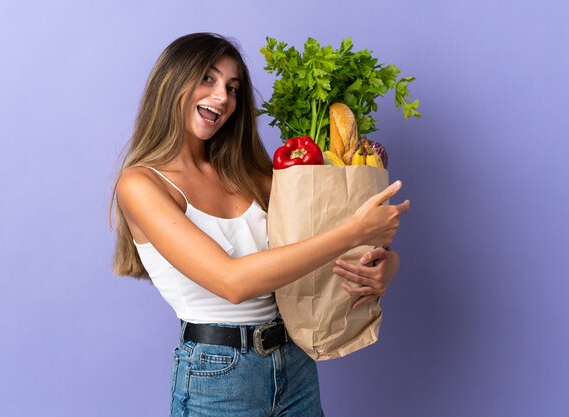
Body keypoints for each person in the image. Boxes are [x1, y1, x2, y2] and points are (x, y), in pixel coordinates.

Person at [110, 32, 410, 417]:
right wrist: (355, 231)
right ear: (171, 82)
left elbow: (312, 248)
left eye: (233, 88)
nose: (223, 97)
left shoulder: (251, 173)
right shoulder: (141, 184)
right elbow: (232, 282)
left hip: (296, 360)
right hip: (219, 376)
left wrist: (386, 264)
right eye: (208, 78)